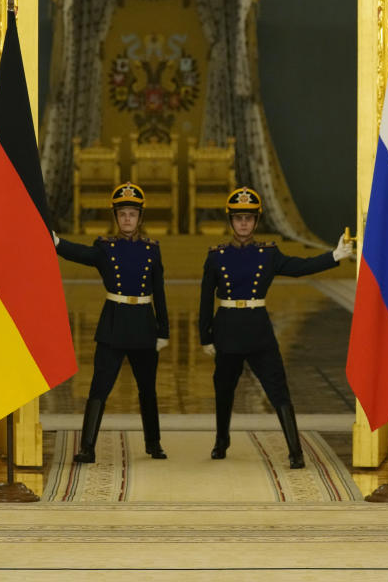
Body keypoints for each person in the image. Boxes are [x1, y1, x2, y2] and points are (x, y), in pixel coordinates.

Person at [199, 187, 353, 468]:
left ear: (256, 222)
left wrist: (335, 255)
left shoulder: (268, 254)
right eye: (238, 218)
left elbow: (300, 267)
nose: (243, 223)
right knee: (223, 389)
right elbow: (205, 298)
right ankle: (221, 440)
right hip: (228, 330)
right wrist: (205, 336)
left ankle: (295, 451)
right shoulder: (216, 256)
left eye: (248, 218)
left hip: (258, 331)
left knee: (278, 389)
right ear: (230, 221)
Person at [53, 182, 170, 462]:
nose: (127, 219)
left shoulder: (152, 250)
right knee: (99, 387)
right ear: (115, 218)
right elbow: (80, 253)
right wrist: (56, 242)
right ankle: (87, 447)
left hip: (143, 326)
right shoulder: (105, 248)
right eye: (122, 214)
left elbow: (160, 292)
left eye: (132, 213)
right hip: (114, 326)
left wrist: (163, 330)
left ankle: (153, 444)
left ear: (140, 218)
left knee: (147, 389)